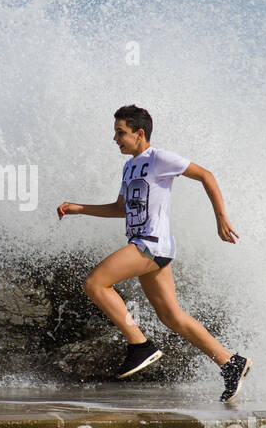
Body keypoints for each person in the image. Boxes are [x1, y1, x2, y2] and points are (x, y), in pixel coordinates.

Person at [57, 104, 251, 400]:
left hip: (150, 243)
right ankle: (229, 362)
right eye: (115, 133)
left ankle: (140, 344)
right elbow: (120, 209)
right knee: (172, 317)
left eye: (120, 133)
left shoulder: (160, 158)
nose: (115, 139)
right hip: (149, 246)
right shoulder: (129, 167)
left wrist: (221, 218)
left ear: (140, 133)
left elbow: (206, 175)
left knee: (94, 283)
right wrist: (78, 209)